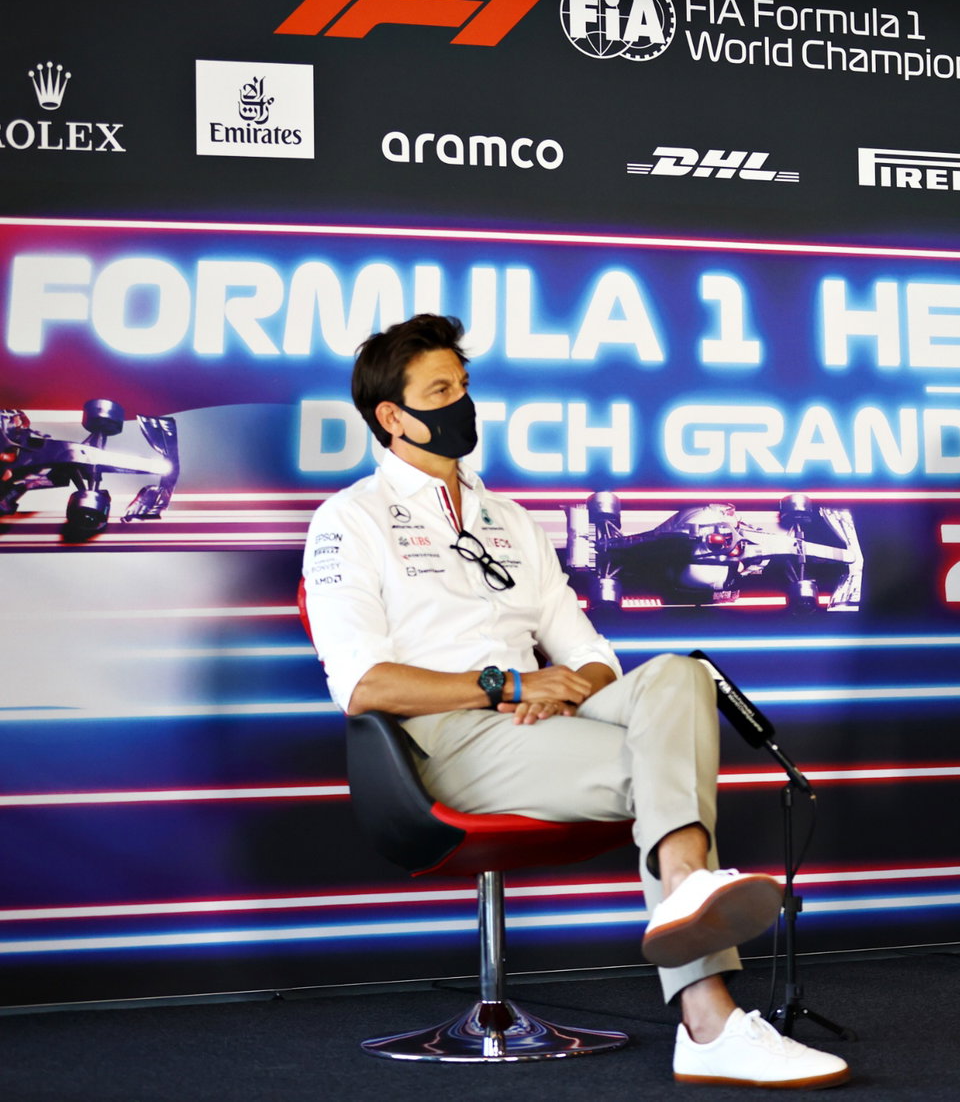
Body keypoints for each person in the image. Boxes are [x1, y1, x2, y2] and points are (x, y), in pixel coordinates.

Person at [302, 314, 850, 1086]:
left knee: (682, 673)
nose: (463, 404)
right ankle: (708, 1020)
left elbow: (592, 655)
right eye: (441, 391)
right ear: (392, 416)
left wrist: (562, 692)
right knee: (665, 770)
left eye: (464, 386)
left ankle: (685, 891)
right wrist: (508, 685)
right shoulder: (349, 519)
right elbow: (363, 685)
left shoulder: (510, 520)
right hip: (443, 743)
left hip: (543, 722)